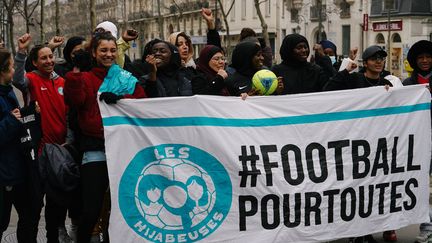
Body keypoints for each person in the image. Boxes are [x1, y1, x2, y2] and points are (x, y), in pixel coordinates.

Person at [64, 30, 146, 243]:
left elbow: (142, 105)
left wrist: (121, 100)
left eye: (112, 50)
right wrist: (76, 72)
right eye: (103, 50)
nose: (109, 54)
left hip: (123, 150)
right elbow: (75, 101)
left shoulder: (126, 78)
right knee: (91, 210)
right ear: (93, 52)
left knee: (119, 210)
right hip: (95, 150)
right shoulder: (85, 77)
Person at [12, 33, 73, 243]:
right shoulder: (31, 80)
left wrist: (69, 142)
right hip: (37, 152)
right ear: (35, 63)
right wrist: (21, 52)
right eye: (44, 58)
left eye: (51, 57)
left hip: (59, 152)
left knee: (57, 205)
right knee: (34, 205)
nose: (49, 61)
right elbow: (16, 77)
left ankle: (52, 237)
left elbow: (68, 115)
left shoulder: (63, 82)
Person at [0, 47, 41, 243]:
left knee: (30, 214)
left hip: (18, 169)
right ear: (2, 71)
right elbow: (8, 124)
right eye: (11, 67)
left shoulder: (7, 92)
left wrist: (29, 111)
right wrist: (13, 120)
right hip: (5, 173)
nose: (14, 71)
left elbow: (14, 118)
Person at [402, 40, 432, 243]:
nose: (425, 61)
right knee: (421, 185)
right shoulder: (407, 85)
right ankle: (427, 227)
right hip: (419, 141)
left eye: (428, 57)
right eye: (420, 58)